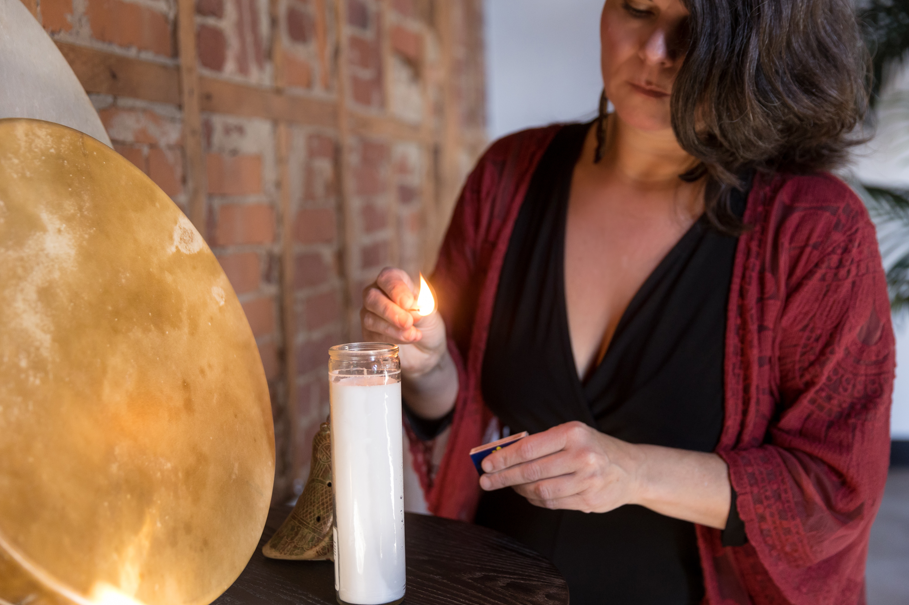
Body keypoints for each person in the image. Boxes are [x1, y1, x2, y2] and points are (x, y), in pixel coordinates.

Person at [360, 0, 895, 603]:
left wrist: (632, 472)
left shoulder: (816, 230)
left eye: (694, 28)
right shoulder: (507, 176)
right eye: (637, 8)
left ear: (760, 46)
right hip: (491, 588)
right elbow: (458, 417)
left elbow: (832, 492)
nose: (653, 50)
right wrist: (428, 367)